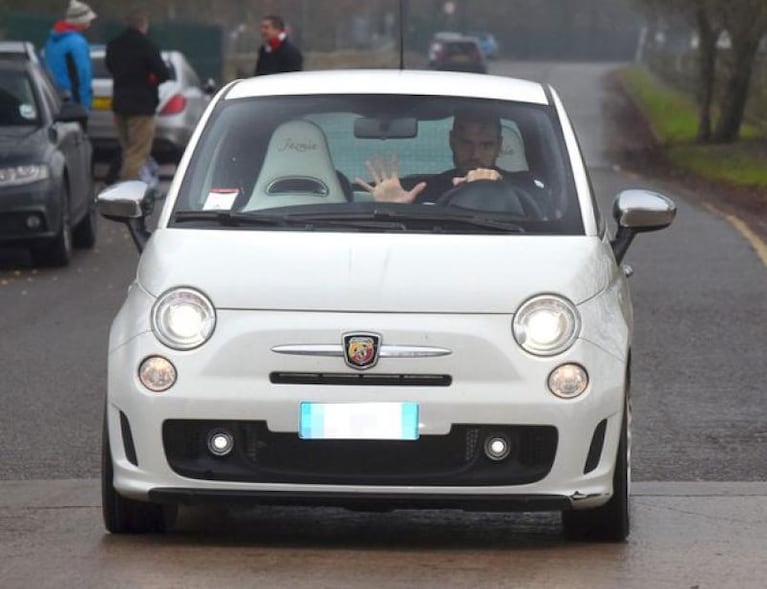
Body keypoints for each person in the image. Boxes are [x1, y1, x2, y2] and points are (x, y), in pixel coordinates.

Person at [356, 109, 507, 204]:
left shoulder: (524, 189)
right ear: (452, 141)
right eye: (466, 143)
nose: (475, 154)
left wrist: (495, 189)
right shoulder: (420, 191)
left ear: (499, 146)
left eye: (486, 145)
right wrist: (393, 210)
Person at [105, 9, 170, 181]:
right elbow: (162, 73)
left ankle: (126, 186)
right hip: (142, 106)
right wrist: (150, 79)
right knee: (138, 152)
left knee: (127, 149)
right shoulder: (147, 46)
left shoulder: (114, 45)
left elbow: (110, 67)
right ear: (144, 24)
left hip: (119, 105)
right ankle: (126, 192)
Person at [44, 0, 97, 110]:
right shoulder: (77, 42)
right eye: (88, 20)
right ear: (81, 21)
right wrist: (84, 105)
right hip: (73, 102)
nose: (90, 23)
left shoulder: (51, 41)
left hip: (52, 99)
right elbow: (82, 75)